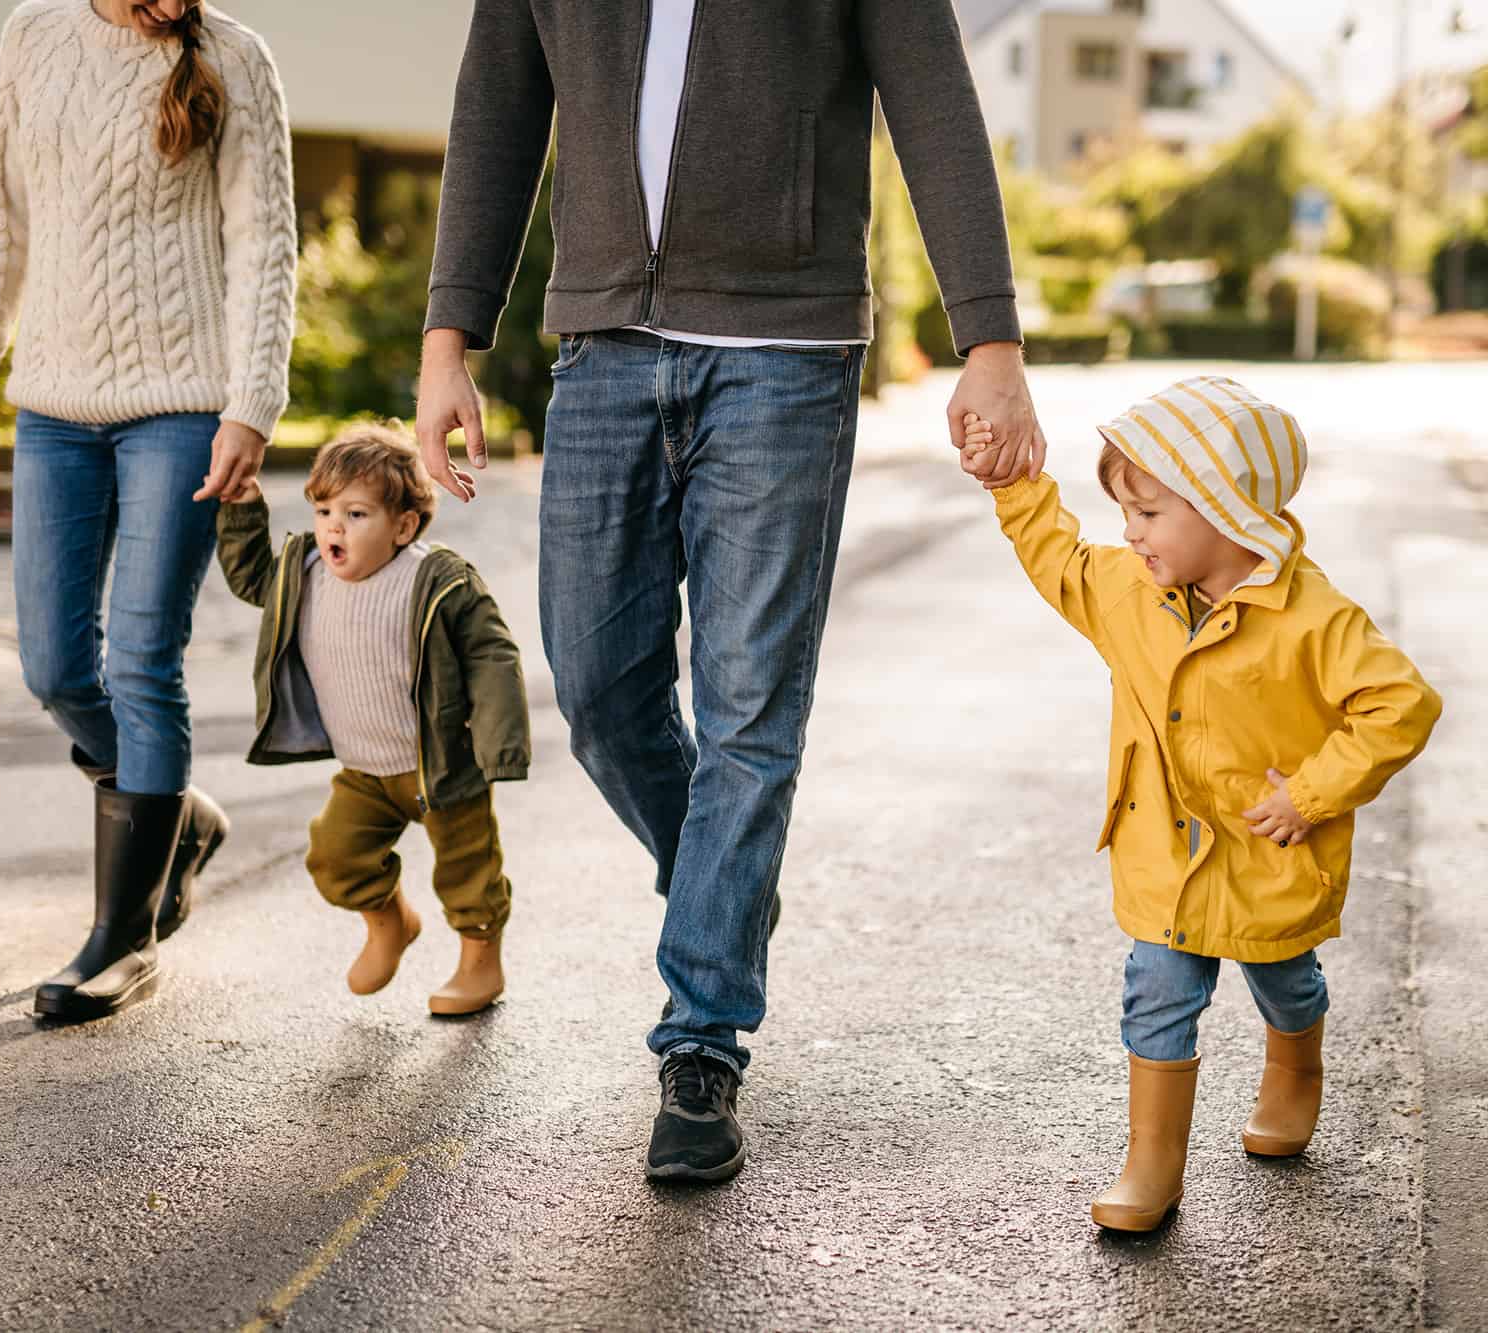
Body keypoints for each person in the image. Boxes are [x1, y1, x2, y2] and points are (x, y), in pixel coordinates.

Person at [414, 0, 1047, 1186]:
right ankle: (722, 883)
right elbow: (495, 112)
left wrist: (989, 341)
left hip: (784, 353)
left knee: (751, 705)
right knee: (596, 689)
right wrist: (450, 342)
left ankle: (699, 1039)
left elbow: (936, 107)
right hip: (602, 343)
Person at [959, 378, 1442, 1231]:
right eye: (1125, 512)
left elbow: (1401, 703)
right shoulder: (1129, 592)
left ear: (1225, 511)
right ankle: (1153, 1164)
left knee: (1285, 984)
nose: (1129, 532)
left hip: (1268, 859)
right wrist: (1014, 486)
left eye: (1148, 513)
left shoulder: (1314, 619)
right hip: (1166, 859)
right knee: (1156, 994)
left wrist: (1314, 792)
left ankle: (1296, 1071)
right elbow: (1059, 559)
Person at [0, 0, 296, 1022]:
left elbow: (265, 245)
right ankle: (173, 813)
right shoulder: (32, 35)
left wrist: (250, 408)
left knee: (142, 655)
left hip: (183, 410)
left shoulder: (234, 57)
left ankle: (120, 939)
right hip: (52, 409)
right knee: (53, 664)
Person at [213, 426, 530, 1016]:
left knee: (470, 875)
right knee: (335, 857)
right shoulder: (304, 574)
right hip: (364, 771)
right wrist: (240, 508)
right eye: (324, 509)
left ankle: (480, 966)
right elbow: (251, 577)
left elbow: (493, 654)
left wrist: (499, 744)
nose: (333, 526)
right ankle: (390, 924)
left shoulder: (436, 580)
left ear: (403, 527)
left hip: (442, 767)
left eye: (356, 514)